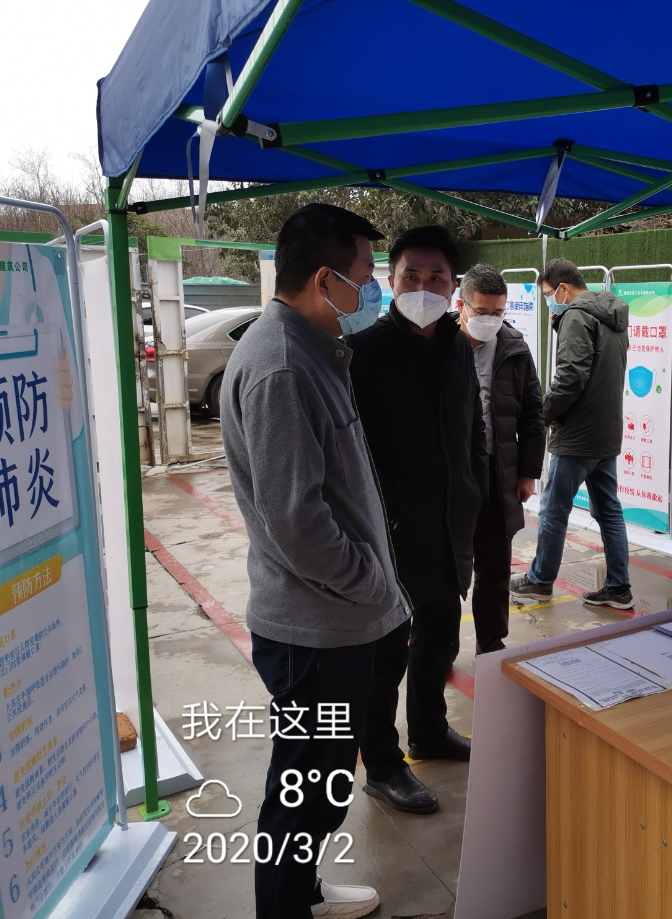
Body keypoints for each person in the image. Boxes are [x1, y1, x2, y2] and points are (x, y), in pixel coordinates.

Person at [221, 203, 406, 919]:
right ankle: (284, 907)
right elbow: (297, 521)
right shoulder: (283, 366)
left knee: (319, 784)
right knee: (303, 789)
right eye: (366, 275)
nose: (373, 290)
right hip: (315, 632)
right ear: (326, 280)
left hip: (334, 620)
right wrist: (369, 581)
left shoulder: (310, 348)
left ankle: (299, 894)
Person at [348, 225, 488, 814]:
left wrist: (476, 494)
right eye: (411, 276)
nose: (423, 288)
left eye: (436, 278)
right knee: (386, 654)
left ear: (454, 287)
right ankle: (382, 764)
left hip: (449, 527)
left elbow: (473, 428)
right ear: (390, 280)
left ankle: (429, 730)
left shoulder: (458, 347)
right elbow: (349, 452)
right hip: (388, 532)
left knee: (439, 637)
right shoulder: (362, 353)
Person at [509, 258, 632, 609]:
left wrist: (541, 415)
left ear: (563, 288)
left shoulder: (577, 316)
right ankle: (619, 587)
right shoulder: (611, 315)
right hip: (606, 432)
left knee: (553, 510)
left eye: (549, 294)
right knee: (608, 511)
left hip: (577, 435)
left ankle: (539, 581)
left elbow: (571, 377)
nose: (550, 301)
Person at [454, 264, 545, 653]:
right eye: (482, 311)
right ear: (460, 306)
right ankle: (437, 648)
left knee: (494, 568)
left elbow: (532, 415)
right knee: (442, 570)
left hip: (496, 473)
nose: (490, 320)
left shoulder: (515, 349)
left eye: (498, 312)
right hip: (451, 475)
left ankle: (491, 644)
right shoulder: (438, 345)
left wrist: (527, 473)